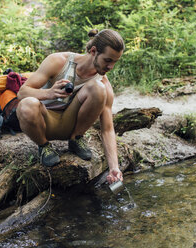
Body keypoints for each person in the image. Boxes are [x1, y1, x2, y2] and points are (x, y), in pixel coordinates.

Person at [16, 29, 124, 184]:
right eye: (108, 60)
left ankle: (76, 140)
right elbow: (22, 93)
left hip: (71, 124)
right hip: (44, 121)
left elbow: (107, 128)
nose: (111, 66)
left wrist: (114, 167)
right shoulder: (59, 61)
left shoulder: (103, 82)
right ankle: (44, 146)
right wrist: (49, 93)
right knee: (27, 104)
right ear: (93, 51)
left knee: (98, 89)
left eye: (115, 62)